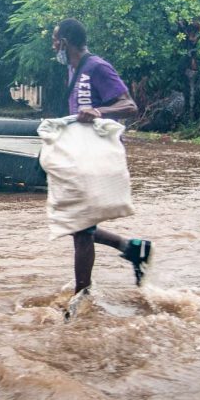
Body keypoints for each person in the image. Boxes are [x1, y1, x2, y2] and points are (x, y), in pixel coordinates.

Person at [53, 18, 153, 301]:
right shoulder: (72, 71)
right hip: (81, 154)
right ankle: (132, 248)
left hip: (98, 156)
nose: (53, 45)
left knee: (81, 228)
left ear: (66, 41)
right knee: (76, 223)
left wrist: (99, 110)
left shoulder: (97, 67)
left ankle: (80, 298)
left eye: (55, 39)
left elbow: (130, 106)